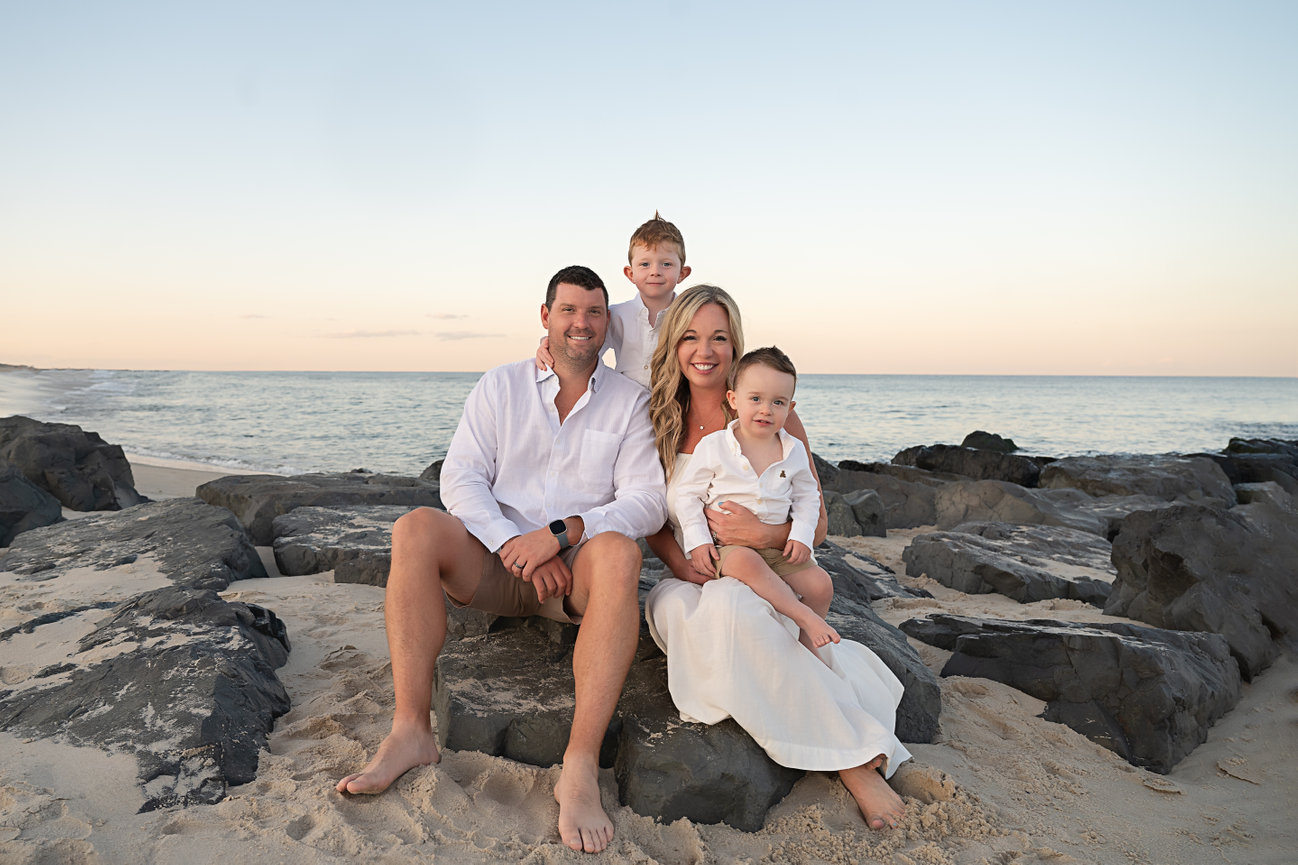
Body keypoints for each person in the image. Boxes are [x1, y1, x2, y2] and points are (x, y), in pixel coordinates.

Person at [336, 265, 668, 855]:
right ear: (545, 317)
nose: (581, 323)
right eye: (568, 310)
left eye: (594, 312)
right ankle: (411, 731)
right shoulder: (501, 385)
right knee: (414, 528)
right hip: (493, 567)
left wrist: (560, 536)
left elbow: (646, 500)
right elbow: (461, 476)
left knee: (619, 553)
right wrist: (510, 545)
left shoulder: (630, 402)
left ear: (607, 323)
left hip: (573, 576)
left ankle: (581, 764)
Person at [643, 285, 911, 831]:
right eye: (691, 336)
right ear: (672, 344)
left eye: (720, 337)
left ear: (736, 346)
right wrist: (686, 562)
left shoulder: (774, 414)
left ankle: (847, 755)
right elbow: (651, 516)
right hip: (696, 577)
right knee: (729, 609)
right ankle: (854, 759)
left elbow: (818, 515)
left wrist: (764, 534)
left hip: (767, 570)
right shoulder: (655, 416)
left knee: (774, 603)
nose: (705, 350)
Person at [673, 345, 840, 655]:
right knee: (747, 561)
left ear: (790, 408)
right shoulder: (715, 446)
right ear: (733, 400)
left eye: (777, 402)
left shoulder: (793, 451)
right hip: (730, 549)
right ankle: (802, 616)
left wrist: (801, 536)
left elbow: (808, 497)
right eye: (756, 399)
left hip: (777, 550)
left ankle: (807, 651)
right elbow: (686, 495)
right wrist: (697, 543)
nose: (766, 409)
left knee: (821, 585)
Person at [538, 212, 691, 388]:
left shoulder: (689, 317)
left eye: (666, 264)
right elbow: (584, 342)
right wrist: (547, 344)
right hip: (625, 406)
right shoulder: (618, 315)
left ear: (682, 273)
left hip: (673, 405)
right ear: (630, 274)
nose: (655, 271)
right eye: (645, 264)